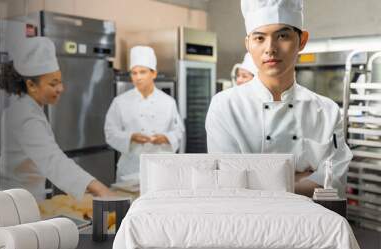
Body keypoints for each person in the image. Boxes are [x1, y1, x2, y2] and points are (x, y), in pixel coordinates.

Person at [205, 0, 353, 197]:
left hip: (309, 224)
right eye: (259, 38)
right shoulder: (225, 106)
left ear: (302, 40)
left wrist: (255, 181)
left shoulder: (327, 111)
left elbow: (335, 184)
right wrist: (301, 178)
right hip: (245, 223)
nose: (270, 48)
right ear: (248, 44)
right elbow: (227, 183)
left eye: (282, 36)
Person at [0, 37, 113, 201]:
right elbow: (53, 160)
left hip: (28, 196)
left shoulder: (29, 106)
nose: (61, 88)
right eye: (53, 84)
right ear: (31, 85)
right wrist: (101, 190)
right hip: (16, 201)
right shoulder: (23, 115)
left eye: (60, 81)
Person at [104, 46, 184, 182]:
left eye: (142, 72)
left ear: (154, 74)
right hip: (130, 169)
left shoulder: (168, 102)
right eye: (134, 73)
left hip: (161, 169)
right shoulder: (120, 102)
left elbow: (179, 131)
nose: (138, 77)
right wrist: (130, 137)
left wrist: (165, 138)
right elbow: (110, 132)